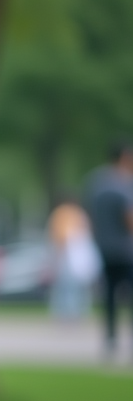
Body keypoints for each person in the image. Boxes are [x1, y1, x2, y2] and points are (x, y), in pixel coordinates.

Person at [84, 141, 133, 358]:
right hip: (126, 249)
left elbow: (90, 215)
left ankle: (110, 339)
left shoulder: (95, 181)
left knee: (110, 296)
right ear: (123, 158)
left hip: (103, 247)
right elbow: (128, 217)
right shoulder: (123, 183)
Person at [46, 196, 99, 321]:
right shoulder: (80, 214)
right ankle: (77, 312)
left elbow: (59, 236)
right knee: (79, 285)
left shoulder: (61, 213)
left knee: (64, 285)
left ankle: (66, 314)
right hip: (79, 255)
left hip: (66, 254)